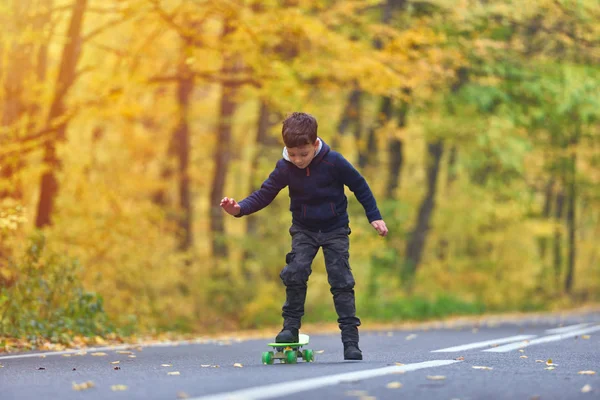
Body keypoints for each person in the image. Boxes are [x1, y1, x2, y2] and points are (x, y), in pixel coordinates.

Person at [220, 112, 388, 360]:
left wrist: (374, 215)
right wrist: (239, 209)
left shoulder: (334, 162)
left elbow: (359, 185)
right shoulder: (285, 167)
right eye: (293, 153)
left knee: (341, 281)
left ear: (315, 143)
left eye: (304, 154)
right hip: (304, 229)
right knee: (295, 271)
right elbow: (265, 194)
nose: (298, 160)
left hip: (335, 229)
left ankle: (351, 342)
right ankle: (290, 329)